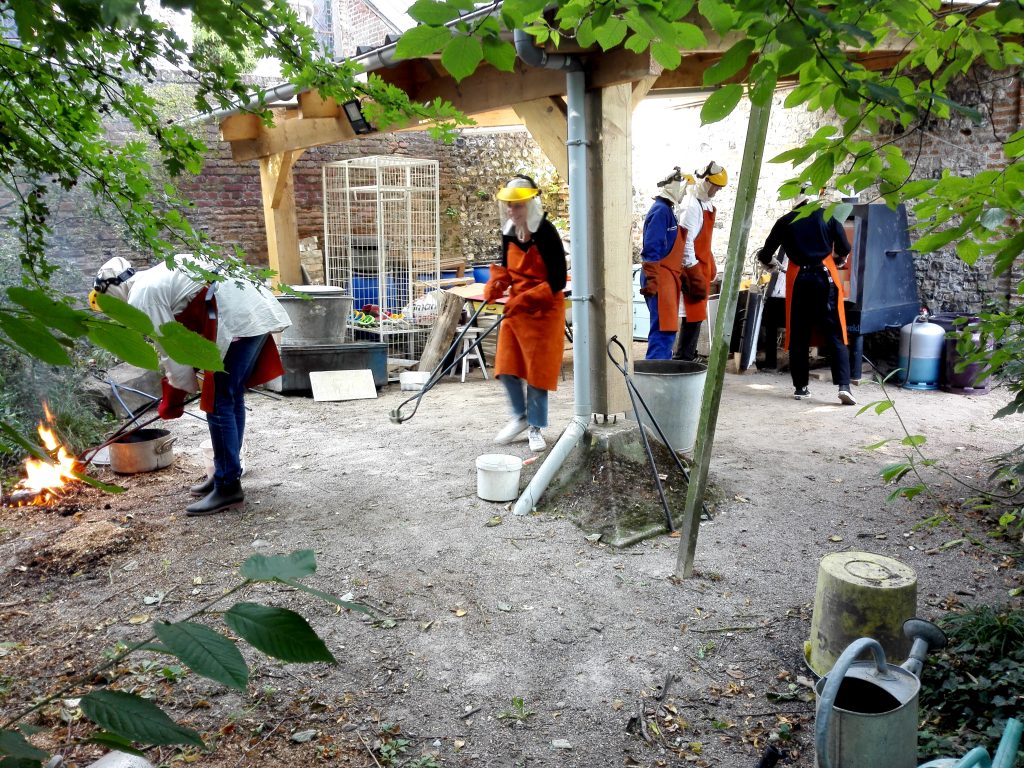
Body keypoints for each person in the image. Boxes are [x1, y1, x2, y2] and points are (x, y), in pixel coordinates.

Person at [90, 254, 292, 515]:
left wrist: (175, 395)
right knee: (229, 398)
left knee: (218, 403)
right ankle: (226, 473)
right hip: (249, 311)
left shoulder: (141, 296)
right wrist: (180, 386)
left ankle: (228, 485)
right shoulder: (152, 279)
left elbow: (170, 350)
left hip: (238, 318)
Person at [483, 175, 567, 453]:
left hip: (544, 310)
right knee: (506, 366)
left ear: (529, 205)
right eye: (508, 205)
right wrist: (497, 284)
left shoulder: (546, 232)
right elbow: (508, 269)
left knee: (536, 373)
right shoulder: (509, 232)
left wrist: (528, 298)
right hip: (517, 308)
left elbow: (557, 280)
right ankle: (520, 416)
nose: (511, 210)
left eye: (516, 205)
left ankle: (536, 426)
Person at [756, 188, 856, 405]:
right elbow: (845, 247)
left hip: (800, 279)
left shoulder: (785, 221)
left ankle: (801, 388)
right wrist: (839, 260)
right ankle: (844, 386)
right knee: (835, 332)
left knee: (799, 334)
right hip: (825, 279)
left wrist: (771, 264)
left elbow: (765, 254)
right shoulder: (827, 215)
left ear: (795, 201)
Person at [673, 161, 728, 362]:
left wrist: (710, 264)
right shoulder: (691, 205)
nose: (716, 191)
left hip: (702, 263)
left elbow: (705, 241)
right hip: (691, 267)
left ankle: (688, 353)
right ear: (706, 181)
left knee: (696, 314)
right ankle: (683, 357)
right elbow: (686, 242)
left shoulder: (705, 202)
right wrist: (693, 269)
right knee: (691, 313)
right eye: (715, 187)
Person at [639, 167, 688, 359]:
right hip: (660, 277)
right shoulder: (661, 212)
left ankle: (660, 372)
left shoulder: (666, 210)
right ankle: (655, 377)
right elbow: (652, 247)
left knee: (666, 329)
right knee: (662, 330)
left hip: (666, 278)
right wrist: (653, 279)